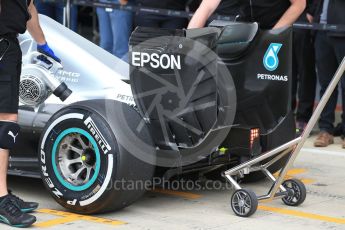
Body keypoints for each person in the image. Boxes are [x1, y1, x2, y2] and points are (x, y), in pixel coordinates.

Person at [0, 0, 60, 227]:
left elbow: (29, 8)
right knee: (5, 126)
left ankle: (2, 191)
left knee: (7, 125)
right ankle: (0, 198)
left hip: (9, 48)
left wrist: (42, 43)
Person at [309, 0, 345, 147]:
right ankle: (325, 130)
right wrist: (311, 12)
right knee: (326, 85)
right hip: (321, 31)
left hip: (341, 29)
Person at [188, 0, 306, 30]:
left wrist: (274, 34)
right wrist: (189, 41)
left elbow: (299, 4)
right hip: (242, 32)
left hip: (273, 29)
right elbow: (206, 7)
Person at [292, 0, 317, 136]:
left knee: (305, 72)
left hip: (303, 22)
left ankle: (303, 118)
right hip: (284, 18)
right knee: (284, 73)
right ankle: (286, 116)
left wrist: (311, 12)